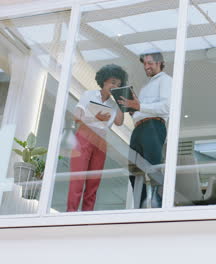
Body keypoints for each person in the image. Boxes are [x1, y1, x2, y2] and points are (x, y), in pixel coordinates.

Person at [67, 64, 127, 212]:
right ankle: (70, 215)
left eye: (118, 85)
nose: (114, 86)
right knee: (78, 179)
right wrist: (95, 117)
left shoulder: (114, 105)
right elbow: (77, 117)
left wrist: (120, 100)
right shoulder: (89, 94)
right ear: (104, 81)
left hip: (100, 141)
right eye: (112, 82)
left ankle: (87, 217)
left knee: (94, 182)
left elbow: (119, 121)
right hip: (84, 135)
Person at [118, 51, 171, 208]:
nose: (146, 67)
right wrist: (134, 109)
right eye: (144, 64)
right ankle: (139, 207)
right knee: (134, 172)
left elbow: (166, 107)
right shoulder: (144, 88)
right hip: (139, 128)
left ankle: (159, 206)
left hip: (154, 126)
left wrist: (139, 106)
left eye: (150, 63)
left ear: (160, 62)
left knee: (154, 167)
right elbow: (142, 110)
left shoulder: (166, 81)